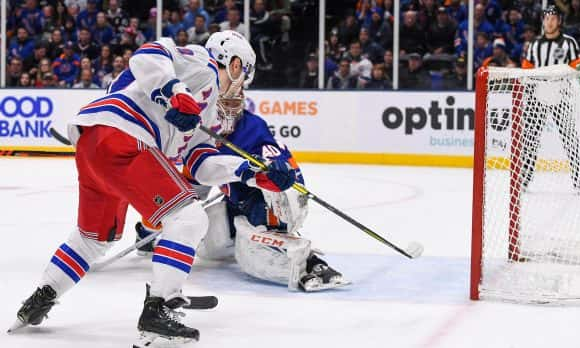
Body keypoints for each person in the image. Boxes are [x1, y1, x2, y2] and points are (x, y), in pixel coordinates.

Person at [9, 31, 262, 347]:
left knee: (95, 238)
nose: (239, 92)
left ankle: (43, 295)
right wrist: (176, 93)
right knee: (189, 219)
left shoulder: (207, 109)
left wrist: (251, 173)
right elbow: (147, 54)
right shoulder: (204, 64)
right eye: (243, 79)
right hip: (123, 137)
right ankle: (159, 309)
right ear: (235, 64)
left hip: (96, 144)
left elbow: (200, 163)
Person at [136, 60, 348, 292]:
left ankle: (305, 261)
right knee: (210, 247)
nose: (226, 113)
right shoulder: (200, 138)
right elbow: (192, 191)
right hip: (237, 206)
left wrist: (275, 174)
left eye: (233, 104)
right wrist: (151, 228)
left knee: (250, 255)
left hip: (269, 204)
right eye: (220, 107)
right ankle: (256, 239)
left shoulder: (253, 128)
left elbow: (287, 179)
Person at [518, 5, 580, 192]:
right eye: (546, 18)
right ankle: (525, 179)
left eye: (553, 18)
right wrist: (526, 96)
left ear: (559, 21)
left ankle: (578, 181)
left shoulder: (569, 43)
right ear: (543, 21)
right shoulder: (535, 45)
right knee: (530, 139)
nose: (549, 22)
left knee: (569, 139)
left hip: (561, 96)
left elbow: (579, 66)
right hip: (537, 97)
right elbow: (527, 71)